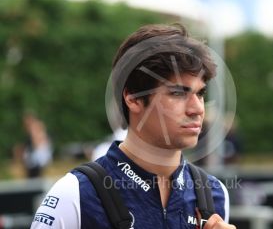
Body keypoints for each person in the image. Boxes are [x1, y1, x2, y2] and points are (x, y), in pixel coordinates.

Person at [31, 24, 236, 229]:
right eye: (178, 93)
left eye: (200, 93)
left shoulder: (214, 194)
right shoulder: (74, 193)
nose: (197, 109)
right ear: (133, 98)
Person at [13, 112, 53, 178]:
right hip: (35, 161)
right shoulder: (35, 129)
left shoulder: (36, 127)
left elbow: (38, 143)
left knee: (35, 176)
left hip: (37, 160)